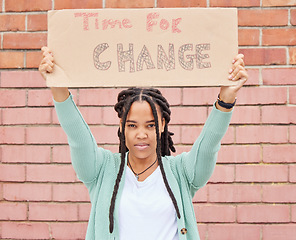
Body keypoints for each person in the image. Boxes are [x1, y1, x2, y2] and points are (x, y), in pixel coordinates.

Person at [39, 46, 248, 240]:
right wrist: (58, 89)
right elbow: (78, 138)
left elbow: (208, 146)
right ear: (121, 126)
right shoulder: (101, 170)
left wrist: (226, 99)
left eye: (150, 125)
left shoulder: (182, 172)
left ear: (163, 124)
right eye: (132, 125)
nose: (141, 134)